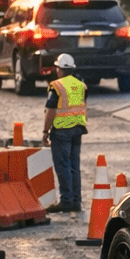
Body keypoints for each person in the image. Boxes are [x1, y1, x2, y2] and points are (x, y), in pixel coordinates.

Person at [41, 54, 87, 213]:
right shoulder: (80, 84)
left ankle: (66, 201)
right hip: (77, 130)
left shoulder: (57, 86)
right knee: (74, 166)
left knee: (63, 166)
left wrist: (45, 131)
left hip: (61, 131)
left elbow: (51, 111)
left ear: (59, 69)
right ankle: (76, 201)